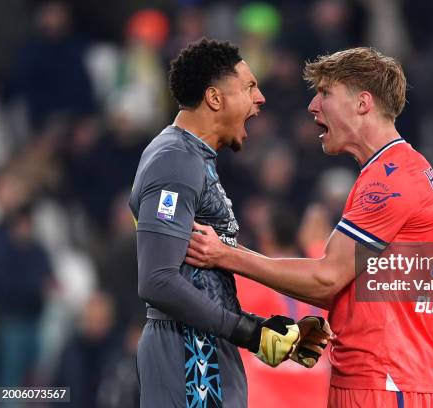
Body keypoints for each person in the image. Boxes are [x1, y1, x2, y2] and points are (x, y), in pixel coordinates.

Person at [186, 47, 433, 408]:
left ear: (363, 102)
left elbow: (326, 278)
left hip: (384, 381)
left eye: (325, 93)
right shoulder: (390, 172)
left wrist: (226, 255)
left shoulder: (392, 180)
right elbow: (336, 287)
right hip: (370, 375)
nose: (313, 106)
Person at [129, 38, 331, 408]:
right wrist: (249, 332)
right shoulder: (174, 161)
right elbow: (157, 280)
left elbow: (200, 281)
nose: (261, 98)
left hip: (203, 350)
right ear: (215, 98)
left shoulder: (192, 158)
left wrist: (263, 330)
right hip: (191, 356)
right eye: (250, 87)